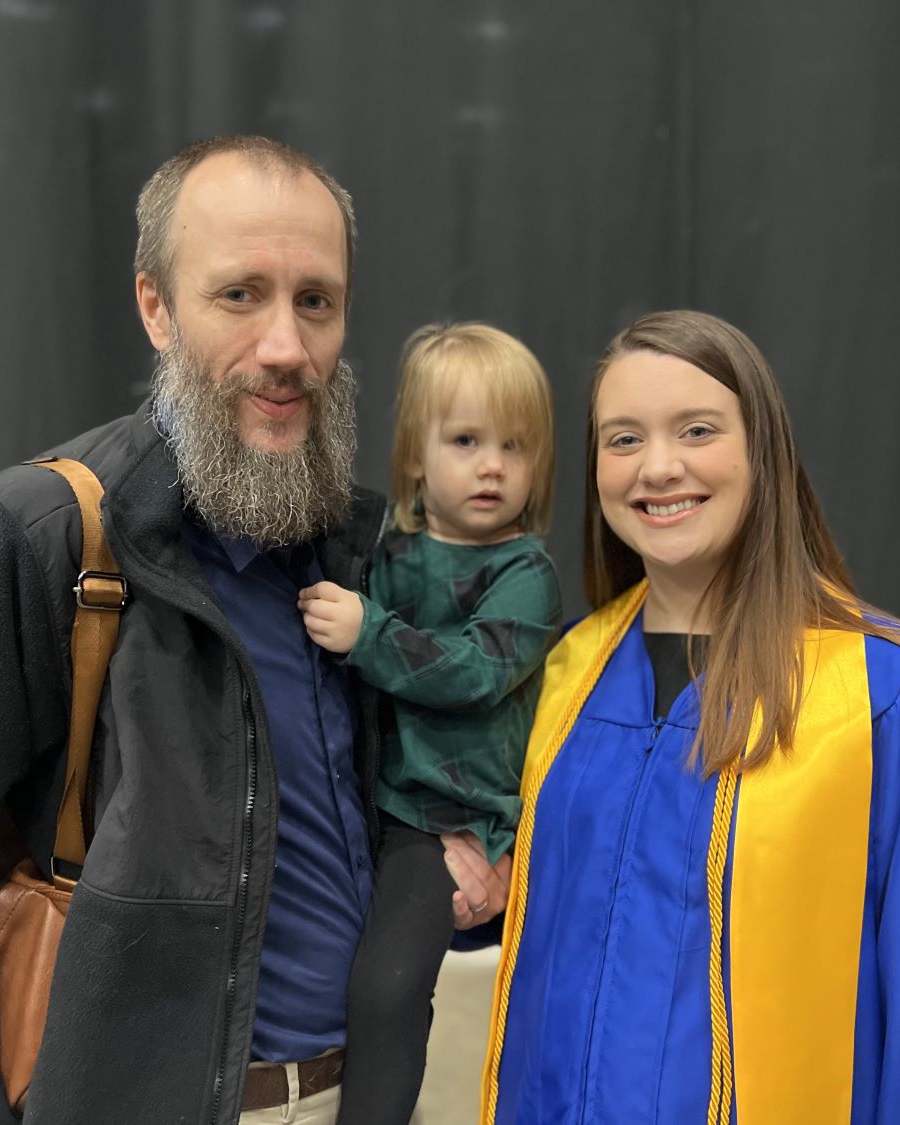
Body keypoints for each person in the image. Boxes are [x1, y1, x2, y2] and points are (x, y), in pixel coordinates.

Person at [0, 135, 508, 1125]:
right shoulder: (40, 539)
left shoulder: (366, 551)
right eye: (240, 295)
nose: (287, 347)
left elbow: (357, 837)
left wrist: (462, 877)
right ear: (156, 308)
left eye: (316, 301)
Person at [480, 310, 900, 1124]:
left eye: (697, 430)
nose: (658, 467)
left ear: (763, 453)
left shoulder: (889, 696)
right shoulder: (565, 676)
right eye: (624, 438)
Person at [297, 323, 563, 1124]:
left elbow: (476, 670)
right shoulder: (384, 552)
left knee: (389, 985)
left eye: (515, 447)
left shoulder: (526, 572)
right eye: (466, 439)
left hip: (445, 821)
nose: (492, 465)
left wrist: (368, 632)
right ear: (417, 455)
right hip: (368, 807)